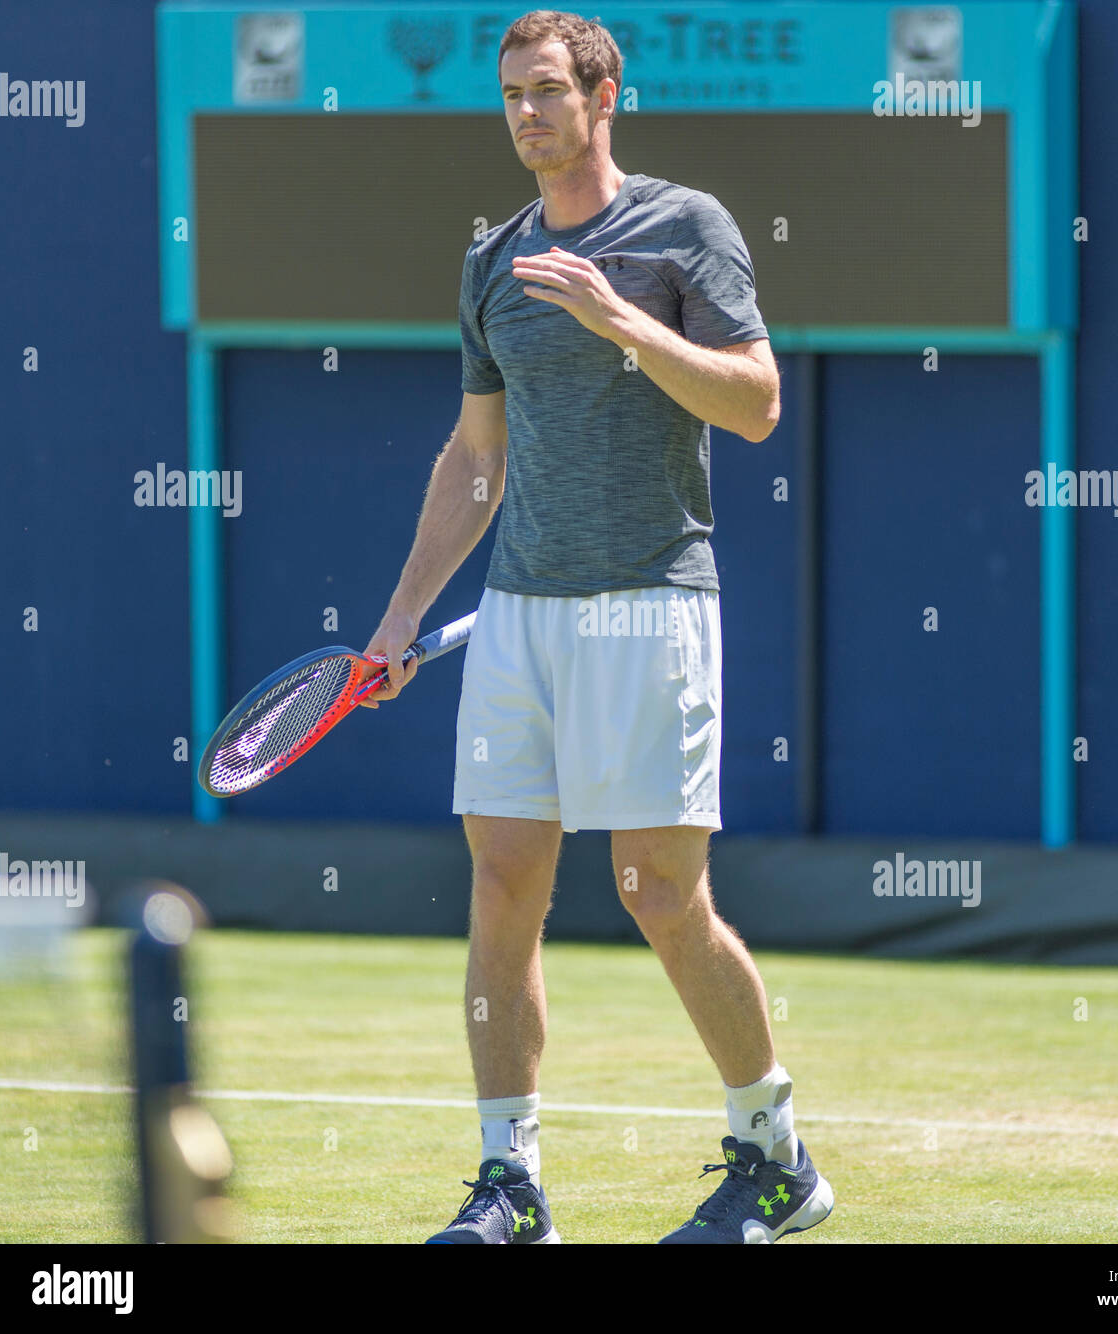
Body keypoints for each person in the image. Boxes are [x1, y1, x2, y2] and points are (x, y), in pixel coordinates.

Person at [360, 9, 833, 1245]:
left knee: (658, 892)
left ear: (603, 95)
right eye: (511, 94)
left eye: (549, 92)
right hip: (516, 617)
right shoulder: (493, 260)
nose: (527, 113)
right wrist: (401, 618)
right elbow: (475, 460)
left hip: (652, 604)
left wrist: (624, 321)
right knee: (502, 881)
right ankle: (508, 1181)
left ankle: (774, 1157)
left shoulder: (687, 228)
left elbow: (759, 403)